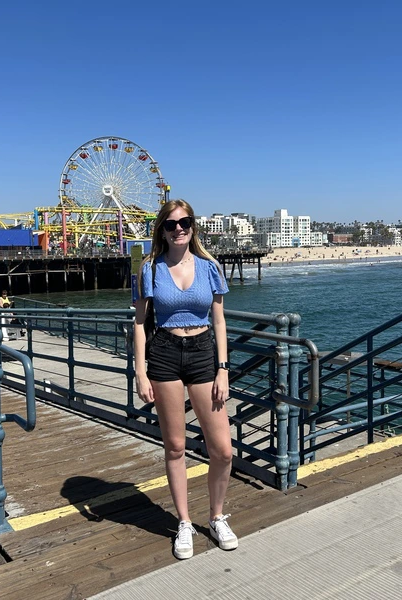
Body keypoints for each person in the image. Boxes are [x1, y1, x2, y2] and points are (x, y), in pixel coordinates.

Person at [134, 199, 237, 560]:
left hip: (203, 354)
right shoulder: (149, 268)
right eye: (172, 224)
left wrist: (223, 368)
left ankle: (217, 515)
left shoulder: (210, 267)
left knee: (223, 450)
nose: (180, 228)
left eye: (186, 222)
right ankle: (183, 522)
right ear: (161, 229)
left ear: (193, 226)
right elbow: (140, 324)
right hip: (164, 353)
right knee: (175, 447)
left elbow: (220, 320)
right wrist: (141, 371)